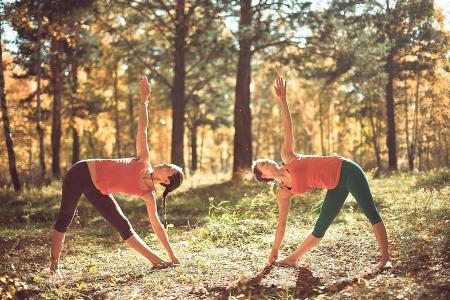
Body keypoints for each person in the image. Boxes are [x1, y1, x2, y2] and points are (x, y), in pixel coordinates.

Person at [50, 76, 184, 276]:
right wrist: (143, 101)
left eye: (169, 168)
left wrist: (172, 255)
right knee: (65, 219)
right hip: (81, 173)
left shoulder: (148, 194)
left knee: (124, 226)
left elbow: (157, 226)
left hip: (98, 191)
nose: (165, 164)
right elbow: (143, 129)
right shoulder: (143, 159)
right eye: (168, 164)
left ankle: (158, 262)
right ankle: (54, 268)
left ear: (166, 181)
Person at [252, 77, 391, 269]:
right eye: (262, 165)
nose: (266, 161)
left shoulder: (287, 157)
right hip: (335, 186)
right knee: (320, 227)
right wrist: (275, 249)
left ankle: (386, 259)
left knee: (371, 213)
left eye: (264, 160)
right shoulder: (283, 193)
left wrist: (283, 100)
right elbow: (281, 225)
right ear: (265, 177)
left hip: (347, 170)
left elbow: (288, 129)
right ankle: (293, 258)